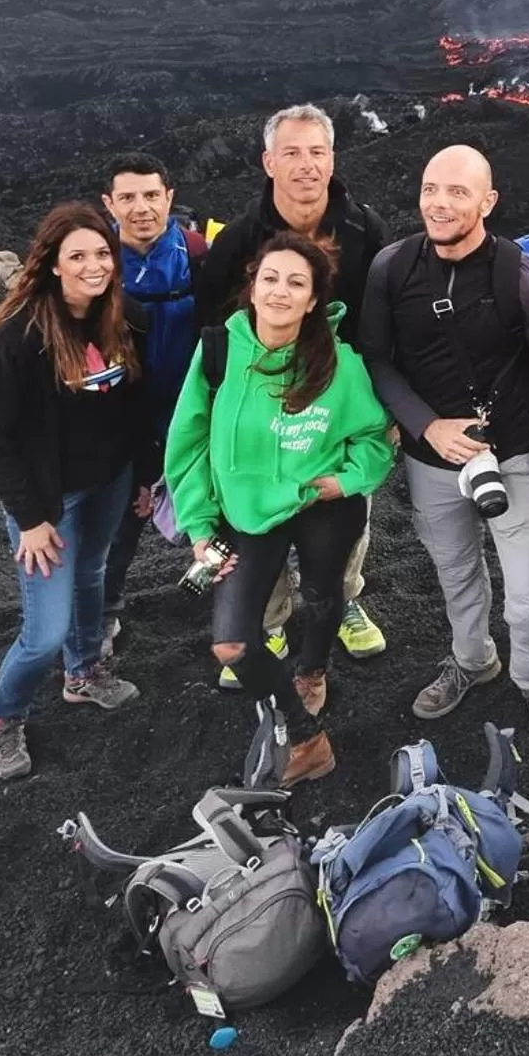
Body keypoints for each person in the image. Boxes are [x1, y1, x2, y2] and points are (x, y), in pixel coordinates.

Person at [359, 146, 529, 744]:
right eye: (432, 189)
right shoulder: (391, 268)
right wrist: (427, 427)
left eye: (458, 192)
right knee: (456, 573)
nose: (440, 203)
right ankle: (473, 660)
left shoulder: (521, 279)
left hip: (510, 453)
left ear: (488, 201)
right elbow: (375, 358)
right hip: (430, 458)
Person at [165, 233, 396, 786]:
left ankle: (311, 674)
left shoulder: (337, 361)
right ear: (252, 286)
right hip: (246, 512)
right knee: (234, 641)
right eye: (270, 278)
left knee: (322, 597)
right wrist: (199, 527)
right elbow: (188, 443)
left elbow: (373, 436)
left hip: (317, 502)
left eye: (297, 283)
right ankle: (309, 737)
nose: (280, 292)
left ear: (314, 299)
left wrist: (345, 482)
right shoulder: (220, 351)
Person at [198, 104, 392, 661]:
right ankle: (271, 617)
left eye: (317, 152)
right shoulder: (238, 243)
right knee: (257, 507)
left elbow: (388, 319)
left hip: (340, 405)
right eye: (292, 153)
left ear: (332, 160)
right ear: (268, 162)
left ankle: (345, 598)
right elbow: (210, 328)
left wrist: (385, 409)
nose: (306, 166)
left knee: (345, 504)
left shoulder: (367, 232)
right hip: (258, 408)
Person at [0, 203, 154, 781]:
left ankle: (84, 675)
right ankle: (5, 718)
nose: (93, 265)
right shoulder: (17, 338)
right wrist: (29, 520)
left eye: (102, 253)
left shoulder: (123, 318)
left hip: (109, 483)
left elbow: (135, 409)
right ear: (52, 264)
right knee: (42, 631)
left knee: (93, 577)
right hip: (49, 503)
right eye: (77, 255)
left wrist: (144, 477)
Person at [100, 153, 207, 637]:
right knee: (121, 520)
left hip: (193, 408)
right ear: (109, 203)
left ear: (170, 197)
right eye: (127, 197)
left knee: (215, 508)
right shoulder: (95, 264)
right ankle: (103, 614)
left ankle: (229, 596)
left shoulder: (199, 254)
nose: (141, 207)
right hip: (120, 416)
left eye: (150, 195)